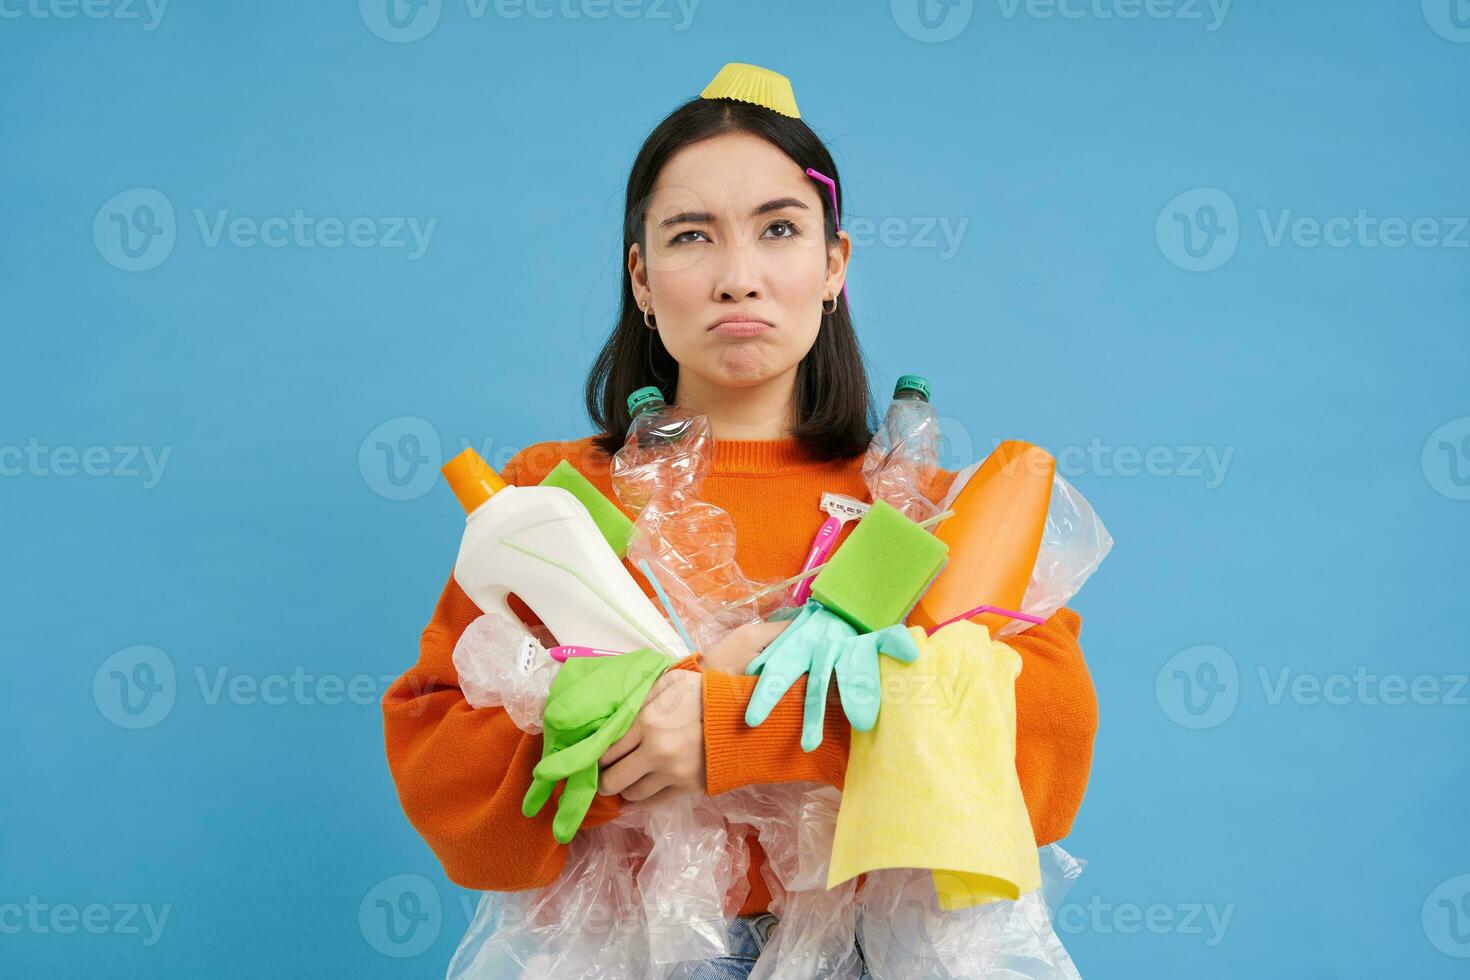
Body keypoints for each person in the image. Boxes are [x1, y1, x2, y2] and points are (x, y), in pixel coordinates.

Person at [382, 62, 1098, 979]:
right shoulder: (556, 499)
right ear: (641, 277)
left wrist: (731, 728)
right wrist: (631, 745)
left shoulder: (923, 511)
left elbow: (1041, 750)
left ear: (834, 265)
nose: (738, 277)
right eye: (691, 236)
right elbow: (440, 764)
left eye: (780, 229)